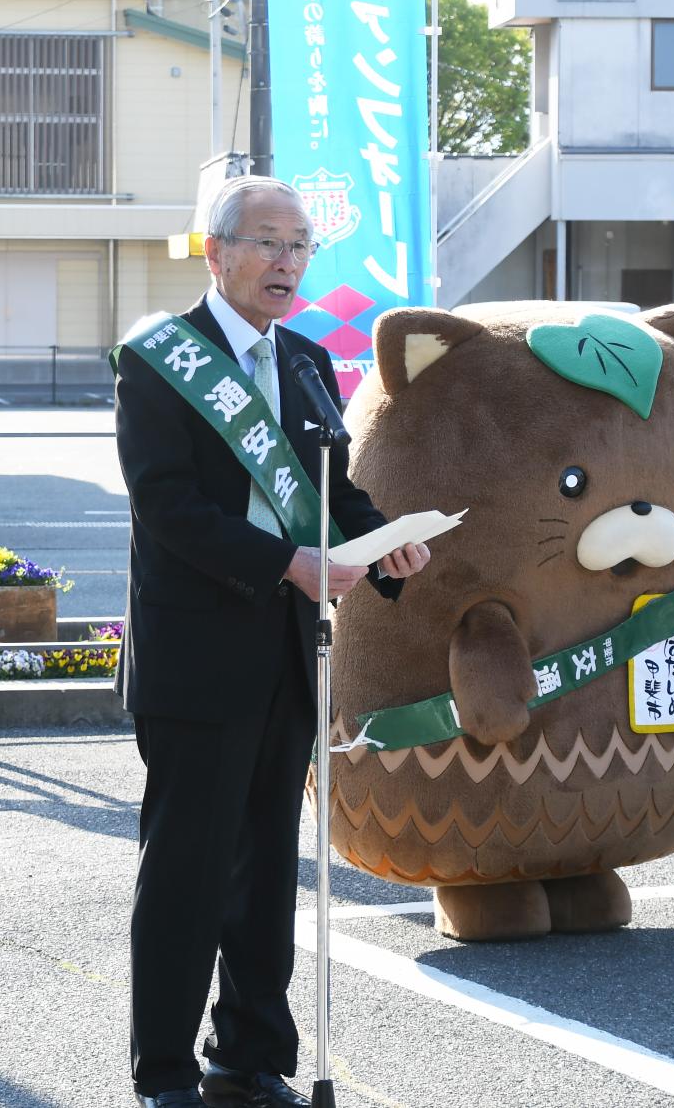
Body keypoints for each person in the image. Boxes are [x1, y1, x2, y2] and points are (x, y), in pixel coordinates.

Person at [114, 175, 431, 1108]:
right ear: (216, 253)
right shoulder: (161, 358)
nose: (287, 261)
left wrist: (385, 544)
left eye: (300, 245)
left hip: (292, 653)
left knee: (264, 873)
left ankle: (247, 1059)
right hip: (198, 657)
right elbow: (168, 506)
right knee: (188, 871)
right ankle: (165, 1072)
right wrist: (286, 562)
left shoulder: (304, 361)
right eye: (268, 241)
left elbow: (335, 490)